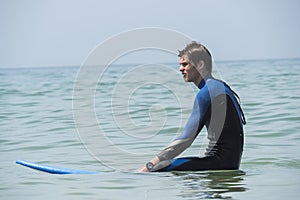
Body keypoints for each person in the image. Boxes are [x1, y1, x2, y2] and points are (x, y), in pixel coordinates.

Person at [138, 41, 246, 172]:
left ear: (200, 64)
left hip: (218, 163)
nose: (180, 69)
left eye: (185, 64)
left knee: (159, 168)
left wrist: (148, 167)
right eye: (180, 65)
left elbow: (185, 140)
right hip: (230, 164)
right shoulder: (220, 86)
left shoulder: (207, 93)